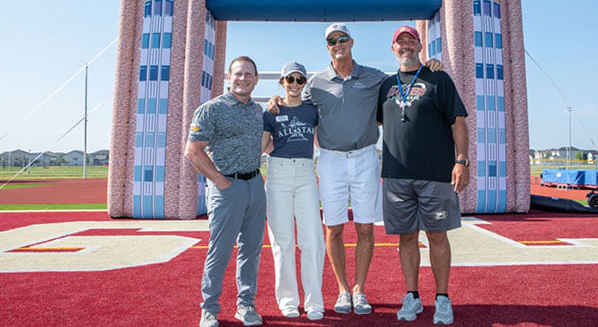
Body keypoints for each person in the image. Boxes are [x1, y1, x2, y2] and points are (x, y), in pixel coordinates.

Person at [268, 23, 443, 315]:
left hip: (364, 158)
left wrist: (429, 67)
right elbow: (296, 103)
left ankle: (359, 289)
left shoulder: (375, 77)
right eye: (332, 41)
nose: (338, 44)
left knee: (364, 228)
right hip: (331, 160)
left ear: (351, 42)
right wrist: (277, 100)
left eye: (343, 39)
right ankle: (342, 290)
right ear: (327, 47)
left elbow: (406, 79)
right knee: (333, 228)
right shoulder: (316, 83)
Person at [377, 26, 469, 325]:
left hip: (435, 175)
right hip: (396, 176)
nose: (406, 46)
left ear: (419, 46)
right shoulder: (386, 85)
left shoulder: (438, 78)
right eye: (400, 43)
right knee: (406, 238)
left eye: (411, 41)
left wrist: (462, 161)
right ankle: (412, 295)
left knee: (437, 236)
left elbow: (457, 122)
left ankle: (442, 298)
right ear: (393, 49)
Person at [185, 56, 266, 327]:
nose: (243, 79)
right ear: (228, 78)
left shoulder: (258, 111)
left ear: (256, 78)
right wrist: (220, 181)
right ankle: (209, 308)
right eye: (238, 74)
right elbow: (193, 151)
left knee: (251, 249)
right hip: (227, 188)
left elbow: (265, 143)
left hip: (255, 185)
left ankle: (246, 304)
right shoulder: (211, 109)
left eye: (249, 74)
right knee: (220, 250)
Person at [261, 62, 326, 321]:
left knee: (312, 240)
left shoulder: (312, 111)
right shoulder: (271, 111)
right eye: (290, 79)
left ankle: (314, 301)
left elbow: (320, 140)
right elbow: (263, 145)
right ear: (282, 82)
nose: (295, 84)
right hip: (278, 175)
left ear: (304, 83)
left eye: (300, 79)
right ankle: (288, 299)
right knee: (283, 242)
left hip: (305, 175)